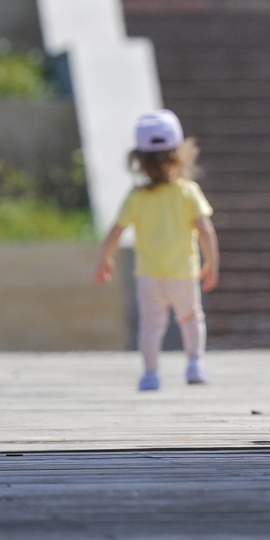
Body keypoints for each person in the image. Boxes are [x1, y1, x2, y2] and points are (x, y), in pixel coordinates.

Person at [94, 110, 219, 391]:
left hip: (149, 274)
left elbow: (116, 230)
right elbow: (205, 229)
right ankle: (194, 364)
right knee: (190, 319)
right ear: (181, 154)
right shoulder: (188, 191)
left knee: (151, 326)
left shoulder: (137, 196)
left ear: (138, 160)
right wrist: (211, 262)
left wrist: (106, 260)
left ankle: (150, 374)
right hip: (183, 272)